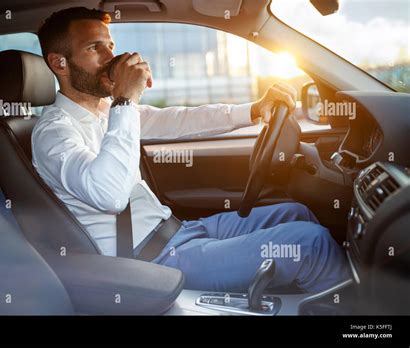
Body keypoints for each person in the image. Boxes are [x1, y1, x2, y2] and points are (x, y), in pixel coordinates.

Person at [32, 7, 350, 293]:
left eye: (110, 45)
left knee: (296, 213)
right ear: (59, 63)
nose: (111, 56)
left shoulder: (102, 111)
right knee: (312, 244)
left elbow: (179, 120)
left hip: (176, 231)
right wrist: (125, 99)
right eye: (94, 48)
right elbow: (111, 195)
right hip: (149, 258)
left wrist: (253, 110)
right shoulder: (54, 132)